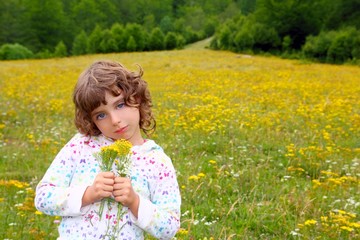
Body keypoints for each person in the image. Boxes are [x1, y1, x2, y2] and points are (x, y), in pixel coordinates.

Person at [35, 60, 181, 239]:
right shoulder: (82, 145)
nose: (115, 120)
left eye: (120, 105)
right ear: (92, 120)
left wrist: (135, 202)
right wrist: (87, 194)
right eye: (101, 115)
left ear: (137, 98)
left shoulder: (157, 161)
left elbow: (170, 228)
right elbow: (43, 197)